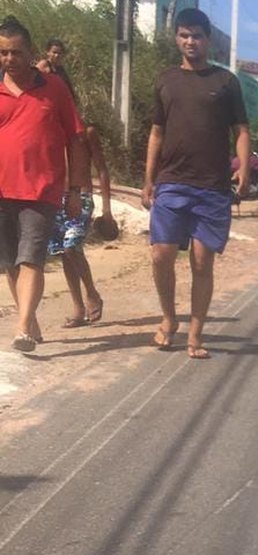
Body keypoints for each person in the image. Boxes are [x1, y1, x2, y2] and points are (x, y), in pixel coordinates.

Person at [141, 8, 250, 359]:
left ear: (208, 39)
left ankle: (196, 335)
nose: (191, 42)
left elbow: (241, 131)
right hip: (172, 181)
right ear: (176, 38)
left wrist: (244, 167)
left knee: (202, 263)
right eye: (185, 35)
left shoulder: (226, 82)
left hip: (213, 185)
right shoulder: (166, 80)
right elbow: (156, 132)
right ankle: (169, 318)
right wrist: (148, 180)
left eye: (198, 36)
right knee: (161, 254)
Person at [0, 16, 89, 352]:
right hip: (1, 191)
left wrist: (75, 191)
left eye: (16, 53)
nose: (9, 59)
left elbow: (75, 139)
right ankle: (31, 320)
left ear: (30, 51)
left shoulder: (54, 89)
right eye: (3, 53)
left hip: (42, 190)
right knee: (9, 262)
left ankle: (22, 327)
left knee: (31, 258)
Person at [48, 124, 115, 327]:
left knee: (71, 247)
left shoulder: (87, 133)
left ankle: (92, 293)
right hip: (57, 199)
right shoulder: (50, 131)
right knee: (64, 253)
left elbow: (102, 169)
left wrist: (107, 209)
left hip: (83, 196)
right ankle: (78, 308)